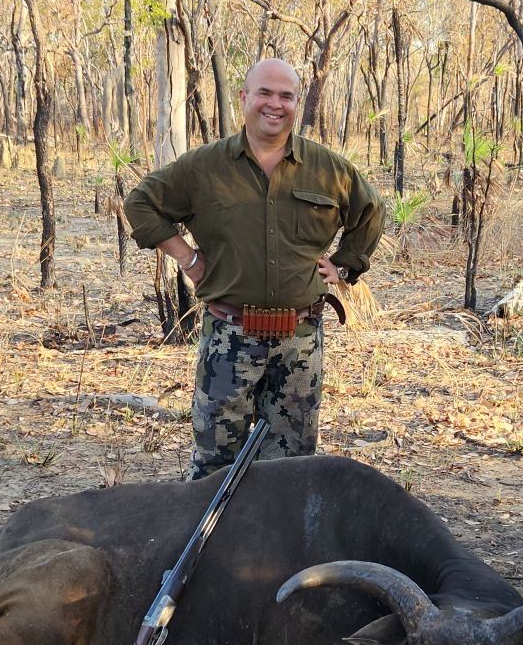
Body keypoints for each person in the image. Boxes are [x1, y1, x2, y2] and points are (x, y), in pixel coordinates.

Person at [125, 58, 384, 480]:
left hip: (299, 342)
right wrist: (188, 258)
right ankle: (214, 527)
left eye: (286, 96)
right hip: (229, 339)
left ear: (297, 102)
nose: (274, 104)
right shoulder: (204, 167)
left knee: (290, 471)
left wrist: (343, 266)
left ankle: (276, 528)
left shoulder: (327, 169)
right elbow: (140, 203)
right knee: (214, 467)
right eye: (264, 93)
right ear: (244, 97)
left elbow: (370, 211)